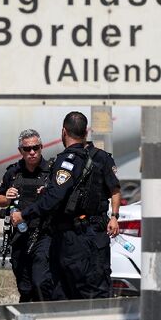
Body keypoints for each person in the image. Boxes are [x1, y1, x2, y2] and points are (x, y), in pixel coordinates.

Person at [11, 111, 121, 299]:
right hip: (96, 235)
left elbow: (54, 197)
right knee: (96, 290)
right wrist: (114, 216)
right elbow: (115, 189)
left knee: (66, 292)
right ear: (86, 132)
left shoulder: (66, 161)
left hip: (73, 237)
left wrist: (24, 214)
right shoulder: (102, 157)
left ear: (63, 132)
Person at [0, 129, 63, 302]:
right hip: (19, 236)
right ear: (20, 151)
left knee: (40, 281)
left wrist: (48, 193)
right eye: (27, 149)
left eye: (36, 148)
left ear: (41, 147)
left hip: (43, 234)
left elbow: (61, 199)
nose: (32, 152)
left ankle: (43, 316)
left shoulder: (52, 172)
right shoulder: (13, 172)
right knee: (24, 285)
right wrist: (6, 198)